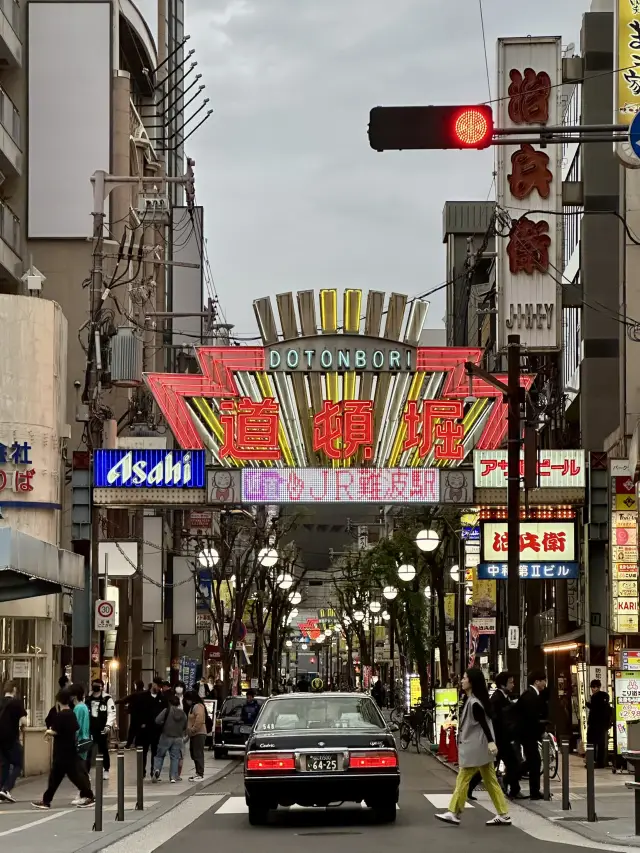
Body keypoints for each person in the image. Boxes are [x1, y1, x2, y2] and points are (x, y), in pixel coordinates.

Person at [435, 668, 512, 826]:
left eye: (464, 678)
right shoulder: (473, 700)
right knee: (490, 780)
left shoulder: (475, 703)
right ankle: (503, 813)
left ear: (471, 682)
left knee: (463, 778)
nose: (462, 681)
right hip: (480, 747)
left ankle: (454, 812)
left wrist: (491, 742)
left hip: (475, 748)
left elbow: (484, 724)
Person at [31, 689, 95, 810]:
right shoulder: (71, 713)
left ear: (59, 701)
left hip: (61, 752)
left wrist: (48, 732)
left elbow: (55, 730)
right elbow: (76, 728)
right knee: (70, 776)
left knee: (57, 778)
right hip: (70, 750)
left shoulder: (60, 715)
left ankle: (47, 801)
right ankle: (87, 795)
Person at [468, 672, 524, 801]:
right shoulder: (497, 698)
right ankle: (510, 787)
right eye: (510, 682)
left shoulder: (504, 697)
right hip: (499, 739)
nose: (513, 685)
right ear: (503, 684)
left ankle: (513, 789)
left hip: (503, 739)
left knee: (508, 764)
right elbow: (495, 719)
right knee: (495, 766)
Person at [517, 670, 547, 800]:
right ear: (537, 681)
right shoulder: (530, 696)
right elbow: (531, 718)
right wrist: (541, 729)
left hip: (528, 734)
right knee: (534, 761)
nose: (545, 683)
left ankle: (533, 790)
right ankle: (511, 777)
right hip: (527, 734)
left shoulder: (532, 694)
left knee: (532, 762)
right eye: (543, 680)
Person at [0, 680, 27, 803]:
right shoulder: (16, 703)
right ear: (14, 690)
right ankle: (6, 789)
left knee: (4, 764)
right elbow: (24, 721)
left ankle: (1, 789)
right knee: (18, 764)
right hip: (11, 738)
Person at [152, 694, 187, 783]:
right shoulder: (183, 713)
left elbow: (157, 720)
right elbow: (185, 726)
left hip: (166, 736)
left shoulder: (166, 711)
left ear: (169, 703)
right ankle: (173, 776)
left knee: (160, 755)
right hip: (178, 737)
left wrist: (164, 723)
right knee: (175, 757)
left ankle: (157, 770)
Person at [86, 679, 116, 779]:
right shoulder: (87, 699)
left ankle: (106, 769)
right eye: (94, 685)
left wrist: (108, 725)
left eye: (98, 686)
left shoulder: (107, 699)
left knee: (103, 749)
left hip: (102, 727)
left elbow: (111, 713)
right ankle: (86, 771)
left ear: (102, 687)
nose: (95, 687)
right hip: (90, 727)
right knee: (88, 749)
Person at [586, 679, 612, 768]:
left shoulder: (597, 697)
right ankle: (597, 761)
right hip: (600, 724)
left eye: (595, 687)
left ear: (599, 687)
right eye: (592, 687)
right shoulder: (602, 696)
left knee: (594, 742)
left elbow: (596, 709)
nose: (593, 689)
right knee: (598, 743)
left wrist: (588, 704)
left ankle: (595, 761)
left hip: (597, 724)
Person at [117, 681, 147, 749]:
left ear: (136, 685)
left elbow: (123, 700)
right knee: (141, 730)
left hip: (135, 715)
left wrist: (113, 702)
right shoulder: (146, 694)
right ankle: (138, 743)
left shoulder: (135, 694)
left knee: (132, 730)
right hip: (144, 715)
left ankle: (129, 744)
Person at [186, 691, 207, 781]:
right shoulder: (193, 707)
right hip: (194, 734)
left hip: (199, 733)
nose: (186, 702)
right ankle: (198, 772)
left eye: (187, 699)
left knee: (198, 753)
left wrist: (193, 729)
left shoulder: (198, 706)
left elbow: (199, 719)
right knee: (194, 753)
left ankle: (200, 773)